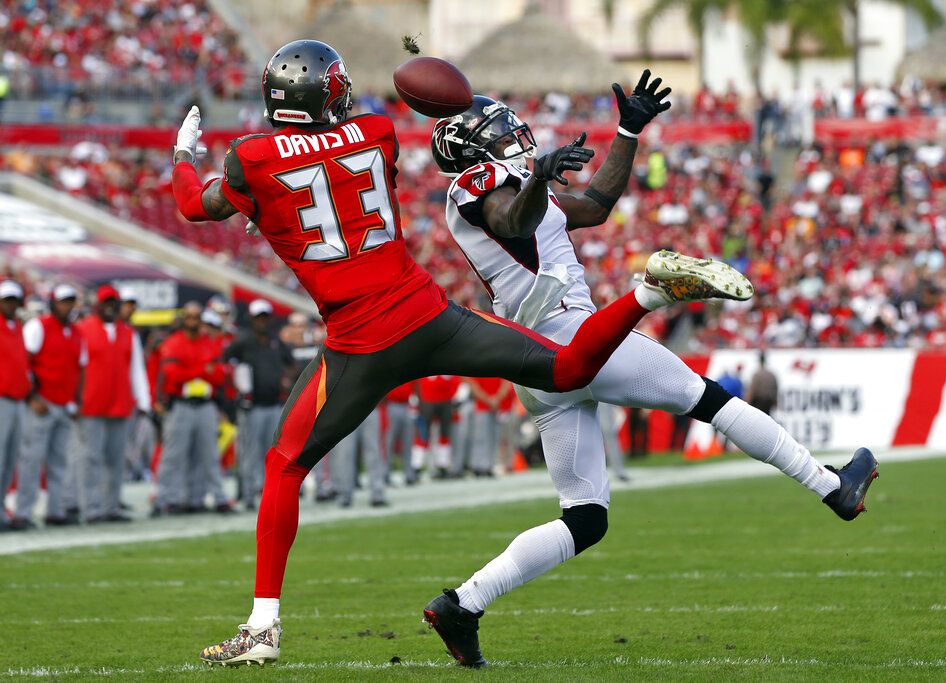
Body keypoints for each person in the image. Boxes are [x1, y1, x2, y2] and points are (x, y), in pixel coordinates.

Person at [170, 39, 737, 667]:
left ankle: (263, 625)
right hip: (428, 316)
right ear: (328, 93)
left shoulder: (249, 159)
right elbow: (345, 171)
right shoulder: (377, 131)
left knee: (284, 466)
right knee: (569, 367)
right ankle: (645, 294)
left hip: (356, 343)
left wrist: (185, 155)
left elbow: (198, 205)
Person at [426, 71, 879, 666]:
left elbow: (597, 204)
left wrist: (627, 131)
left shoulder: (515, 180)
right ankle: (832, 488)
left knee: (585, 519)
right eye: (499, 128)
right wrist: (536, 175)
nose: (515, 132)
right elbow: (512, 221)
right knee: (707, 398)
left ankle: (463, 604)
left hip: (539, 361)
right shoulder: (475, 183)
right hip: (568, 334)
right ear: (476, 144)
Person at [76, 284, 151, 523]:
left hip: (120, 404)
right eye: (106, 303)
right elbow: (76, 367)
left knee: (116, 460)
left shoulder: (128, 332)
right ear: (98, 305)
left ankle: (111, 506)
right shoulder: (83, 329)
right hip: (92, 404)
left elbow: (136, 368)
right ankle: (91, 508)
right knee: (90, 458)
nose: (110, 307)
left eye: (113, 303)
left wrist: (143, 399)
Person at [12, 285, 84, 529]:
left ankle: (56, 510)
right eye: (64, 302)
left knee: (60, 461)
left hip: (65, 404)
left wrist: (76, 400)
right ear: (53, 303)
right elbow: (25, 362)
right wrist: (32, 397)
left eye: (71, 302)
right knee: (31, 460)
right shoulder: (38, 326)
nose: (67, 306)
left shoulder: (75, 332)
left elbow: (80, 369)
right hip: (42, 403)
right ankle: (22, 512)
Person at [152, 302, 231, 515]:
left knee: (208, 455)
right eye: (189, 317)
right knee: (173, 456)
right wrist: (202, 369)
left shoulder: (210, 343)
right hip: (181, 404)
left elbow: (219, 375)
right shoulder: (173, 342)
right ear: (183, 318)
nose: (193, 321)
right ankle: (165, 500)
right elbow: (172, 374)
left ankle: (204, 498)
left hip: (206, 404)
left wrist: (191, 370)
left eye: (196, 317)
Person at [224, 299, 295, 510]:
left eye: (265, 317)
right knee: (249, 453)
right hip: (252, 406)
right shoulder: (243, 341)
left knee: (272, 454)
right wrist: (237, 383)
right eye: (259, 318)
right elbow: (225, 361)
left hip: (274, 404)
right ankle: (247, 495)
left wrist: (286, 379)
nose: (262, 322)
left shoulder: (275, 340)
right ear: (252, 319)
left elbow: (290, 363)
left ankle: (269, 494)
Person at [0, 280, 30, 531]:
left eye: (14, 300)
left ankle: (1, 512)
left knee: (10, 461)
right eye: (6, 300)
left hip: (18, 401)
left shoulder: (18, 327)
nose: (11, 305)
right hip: (1, 400)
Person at [465, 378, 510, 477]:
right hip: (482, 406)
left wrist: (497, 398)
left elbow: (506, 382)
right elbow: (474, 385)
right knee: (480, 438)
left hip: (498, 406)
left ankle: (489, 465)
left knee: (495, 438)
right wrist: (488, 399)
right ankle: (478, 466)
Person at [383, 381, 417, 485]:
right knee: (389, 442)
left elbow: (416, 385)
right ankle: (385, 473)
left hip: (407, 405)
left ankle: (408, 474)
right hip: (391, 405)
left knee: (408, 442)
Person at [748, 351, 779, 416]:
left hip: (758, 402)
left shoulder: (757, 374)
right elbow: (775, 389)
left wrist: (748, 402)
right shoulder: (771, 374)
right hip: (769, 402)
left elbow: (753, 390)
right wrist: (775, 402)